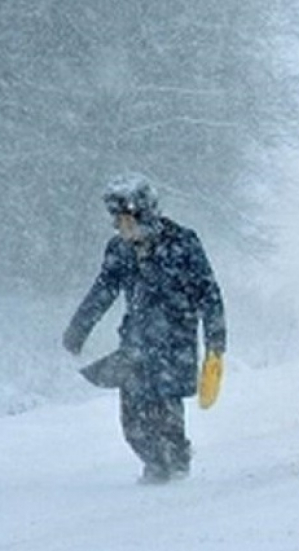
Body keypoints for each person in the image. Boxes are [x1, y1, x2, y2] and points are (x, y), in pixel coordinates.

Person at [63, 173, 226, 484]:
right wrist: (79, 327)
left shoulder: (183, 243)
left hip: (175, 344)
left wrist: (215, 345)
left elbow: (210, 295)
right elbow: (103, 290)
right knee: (133, 420)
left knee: (165, 413)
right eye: (118, 221)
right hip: (135, 345)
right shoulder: (119, 250)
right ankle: (155, 464)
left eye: (127, 220)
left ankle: (175, 467)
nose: (122, 228)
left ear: (146, 214)